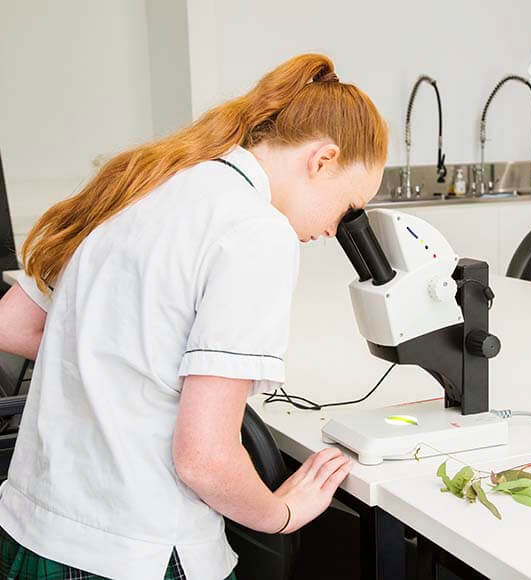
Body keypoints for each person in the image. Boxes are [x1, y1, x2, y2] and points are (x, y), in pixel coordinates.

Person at [0, 53, 388, 579]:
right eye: (348, 208)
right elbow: (204, 460)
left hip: (30, 534)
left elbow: (14, 324)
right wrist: (282, 514)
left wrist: (126, 361)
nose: (335, 232)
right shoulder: (256, 229)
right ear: (322, 159)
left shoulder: (143, 180)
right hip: (133, 553)